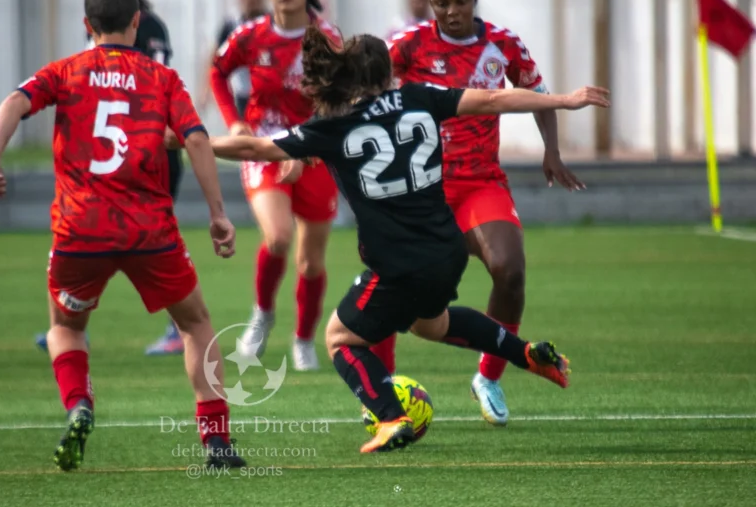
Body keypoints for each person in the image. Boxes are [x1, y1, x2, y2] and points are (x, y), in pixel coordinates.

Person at [209, 26, 609, 452]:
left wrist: (190, 140)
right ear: (389, 75)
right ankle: (524, 352)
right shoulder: (420, 97)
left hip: (397, 264)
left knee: (341, 338)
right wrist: (564, 100)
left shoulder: (333, 125)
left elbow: (254, 149)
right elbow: (493, 100)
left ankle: (390, 417)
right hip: (446, 250)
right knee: (432, 324)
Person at [0, 0, 245, 470]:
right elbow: (195, 139)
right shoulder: (162, 78)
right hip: (150, 231)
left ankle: (80, 403)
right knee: (195, 323)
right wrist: (218, 215)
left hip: (80, 230)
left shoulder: (64, 72)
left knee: (66, 328)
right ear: (137, 21)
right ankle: (217, 442)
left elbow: (16, 101)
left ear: (87, 24)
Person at [379, 0, 586, 427]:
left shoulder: (502, 43)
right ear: (430, 4)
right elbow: (365, 85)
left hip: (480, 181)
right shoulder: (407, 44)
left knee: (509, 271)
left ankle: (488, 377)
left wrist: (550, 150)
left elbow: (538, 92)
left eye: (460, 1)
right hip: (421, 186)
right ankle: (381, 389)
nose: (452, 11)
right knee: (391, 287)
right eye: (442, 3)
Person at [30, 0, 186, 356]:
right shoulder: (96, 28)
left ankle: (176, 325)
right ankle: (65, 324)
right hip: (102, 156)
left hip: (148, 155)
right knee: (81, 235)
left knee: (155, 242)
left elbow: (149, 85)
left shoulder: (149, 25)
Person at [209, 0, 340, 372]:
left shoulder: (327, 38)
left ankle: (303, 340)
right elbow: (217, 70)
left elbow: (338, 98)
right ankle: (263, 314)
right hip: (263, 150)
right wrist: (233, 122)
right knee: (279, 236)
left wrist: (306, 149)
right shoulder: (250, 35)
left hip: (317, 154)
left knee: (311, 259)